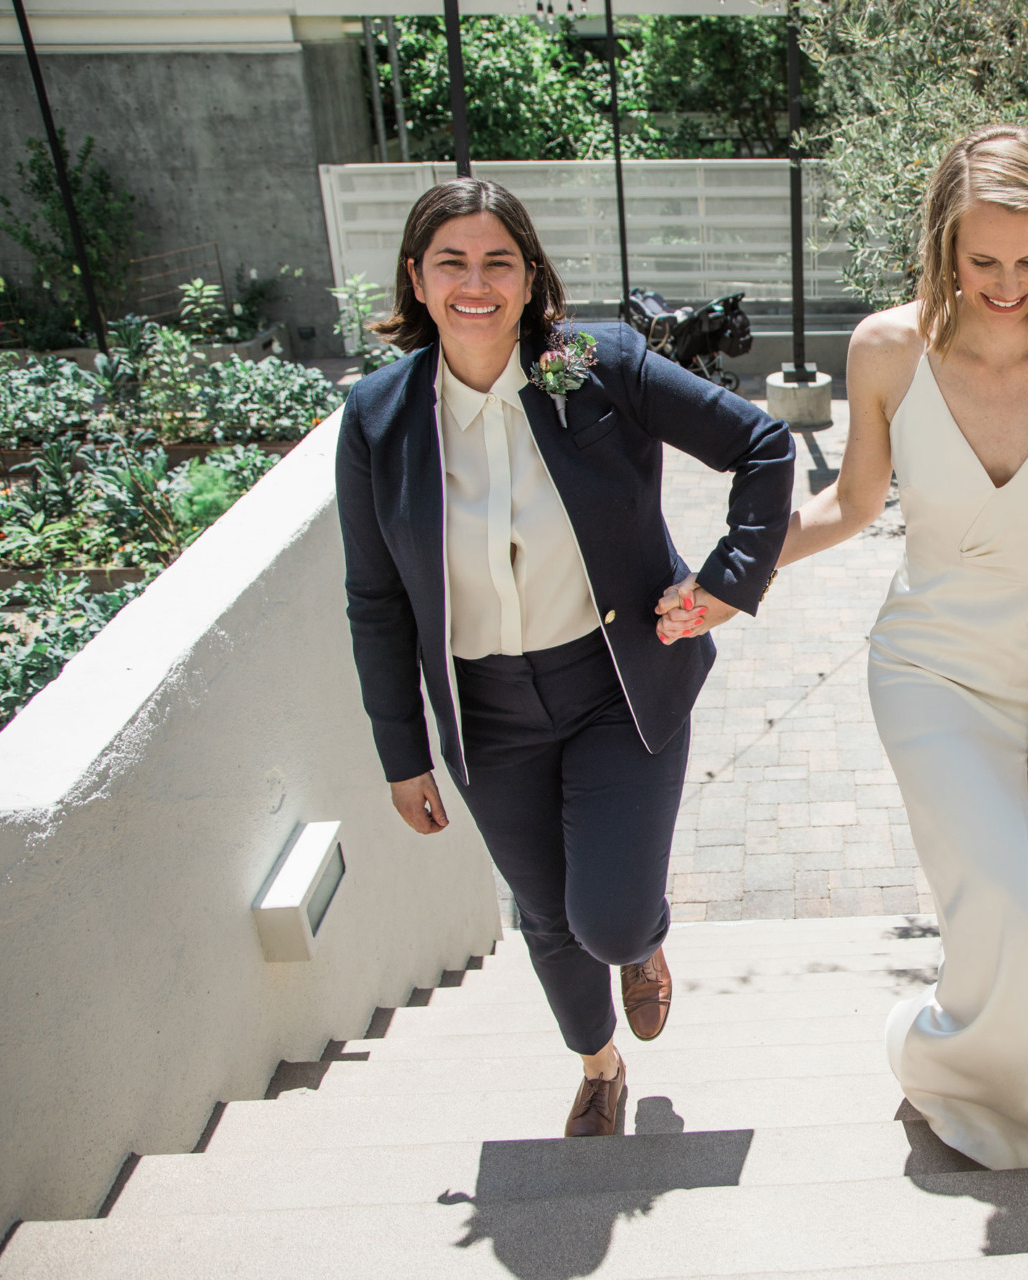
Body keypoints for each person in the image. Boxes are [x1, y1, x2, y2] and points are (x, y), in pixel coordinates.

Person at [658, 125, 1028, 1170]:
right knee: (1009, 890)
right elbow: (849, 503)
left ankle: (938, 1050)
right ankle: (978, 1099)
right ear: (943, 244)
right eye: (982, 260)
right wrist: (733, 581)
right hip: (924, 664)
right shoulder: (885, 350)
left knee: (1018, 902)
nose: (1006, 284)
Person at [336, 178, 794, 1139]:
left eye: (498, 260)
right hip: (485, 712)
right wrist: (402, 753)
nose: (476, 282)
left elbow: (760, 443)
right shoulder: (377, 418)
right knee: (544, 916)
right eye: (451, 262)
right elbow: (376, 598)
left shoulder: (594, 363)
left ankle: (642, 940)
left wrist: (728, 580)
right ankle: (598, 1067)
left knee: (610, 919)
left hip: (614, 687)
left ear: (530, 274)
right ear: (416, 280)